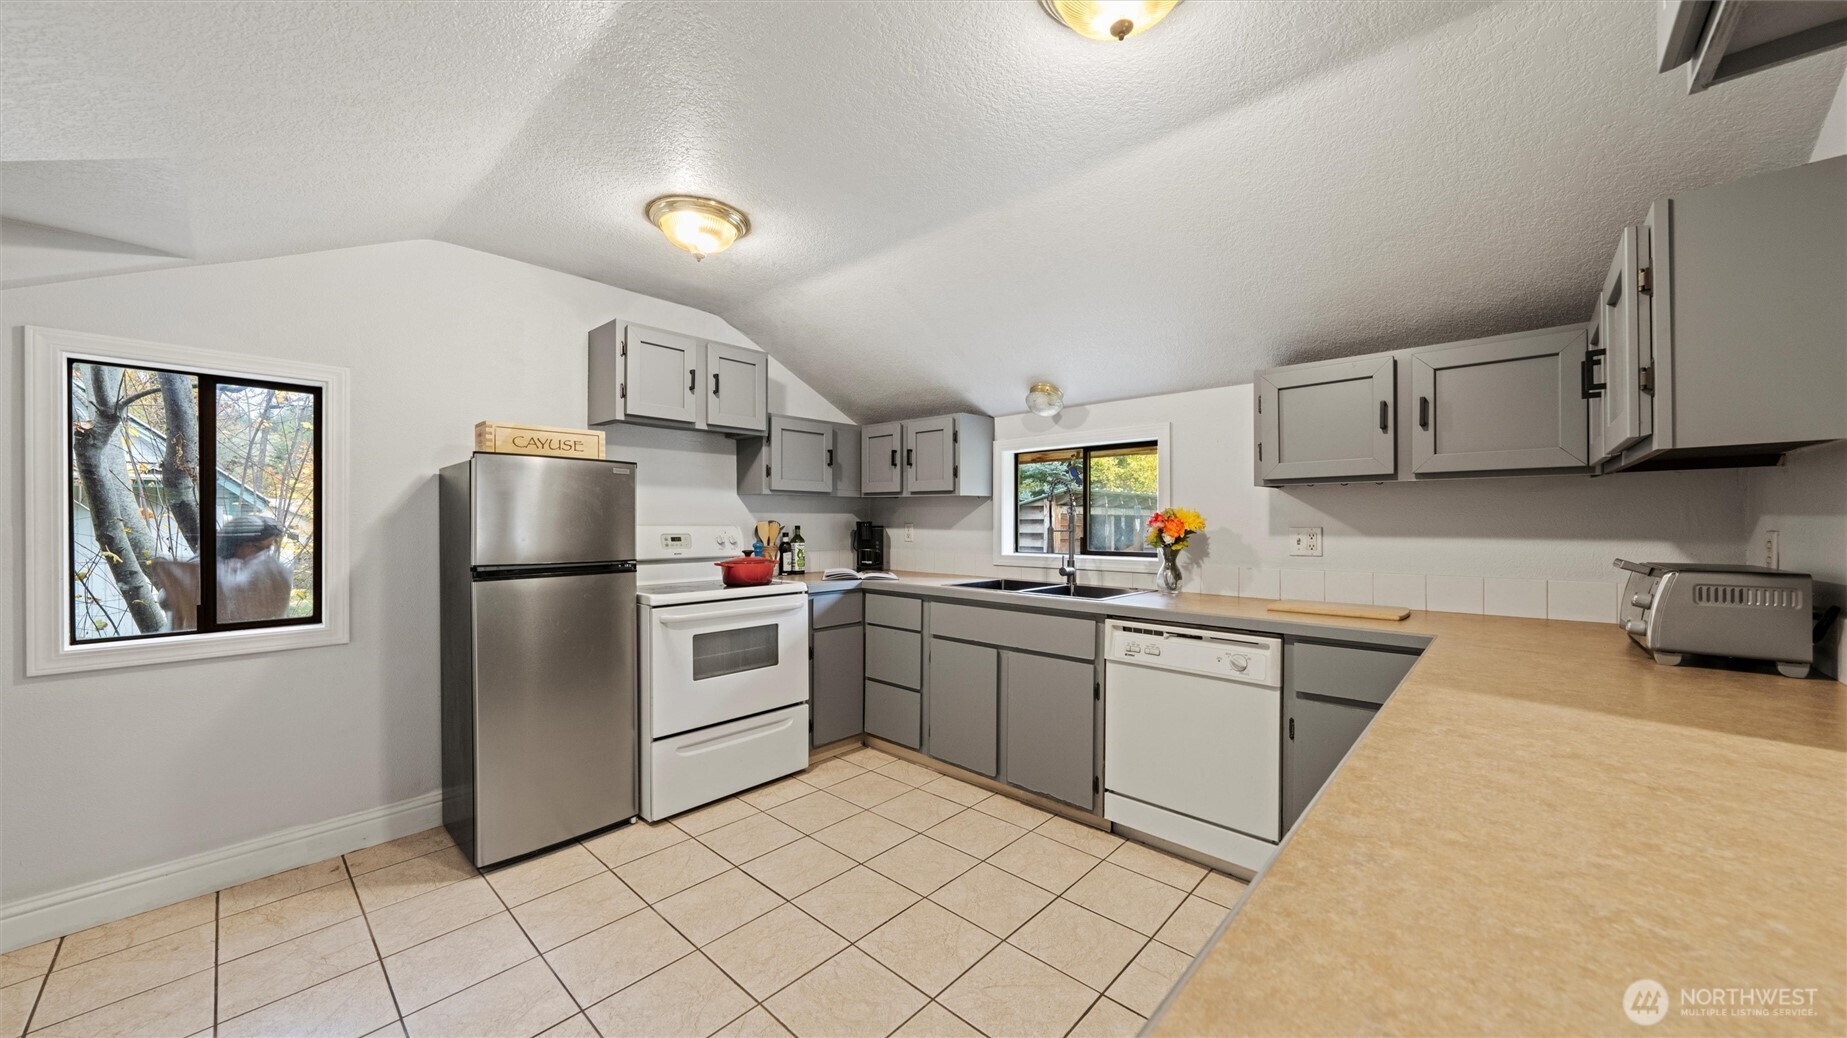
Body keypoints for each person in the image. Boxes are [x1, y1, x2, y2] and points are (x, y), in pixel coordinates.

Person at [217, 514, 291, 622]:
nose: (262, 554)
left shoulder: (270, 575)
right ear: (234, 545)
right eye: (256, 546)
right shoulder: (214, 574)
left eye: (268, 548)